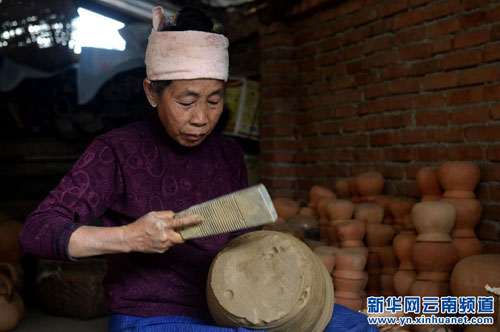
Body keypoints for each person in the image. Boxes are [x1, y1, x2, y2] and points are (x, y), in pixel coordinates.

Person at [19, 6, 378, 332]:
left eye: (215, 100)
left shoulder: (229, 154)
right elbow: (36, 231)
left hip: (229, 303)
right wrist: (130, 238)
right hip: (152, 315)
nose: (201, 118)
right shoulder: (115, 151)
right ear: (152, 93)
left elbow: (241, 242)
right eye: (186, 101)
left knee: (356, 327)